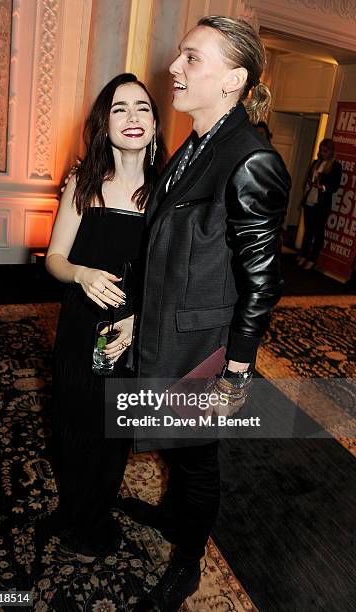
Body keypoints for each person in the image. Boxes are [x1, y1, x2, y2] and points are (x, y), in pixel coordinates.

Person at [120, 16, 290, 612]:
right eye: (180, 56)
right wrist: (137, 318)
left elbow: (263, 282)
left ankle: (187, 565)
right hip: (170, 328)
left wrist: (237, 373)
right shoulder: (196, 143)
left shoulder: (251, 160)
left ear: (233, 79)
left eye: (193, 59)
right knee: (173, 442)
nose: (174, 67)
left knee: (195, 457)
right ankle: (171, 516)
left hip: (206, 346)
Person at [43, 73, 166, 557]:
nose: (132, 117)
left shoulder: (165, 196)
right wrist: (81, 274)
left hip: (131, 333)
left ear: (155, 125)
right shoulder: (83, 182)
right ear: (104, 124)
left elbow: (170, 280)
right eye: (120, 108)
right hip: (79, 327)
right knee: (72, 424)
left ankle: (94, 515)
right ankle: (75, 509)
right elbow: (54, 258)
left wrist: (137, 324)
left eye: (142, 108)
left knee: (113, 433)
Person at [297, 138, 342, 270]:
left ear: (331, 152)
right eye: (321, 150)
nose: (323, 153)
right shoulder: (316, 163)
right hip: (310, 200)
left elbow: (335, 187)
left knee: (318, 232)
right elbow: (308, 180)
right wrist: (311, 184)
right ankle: (304, 254)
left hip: (322, 203)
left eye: (326, 151)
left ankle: (312, 258)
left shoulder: (335, 166)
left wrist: (322, 187)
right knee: (308, 230)